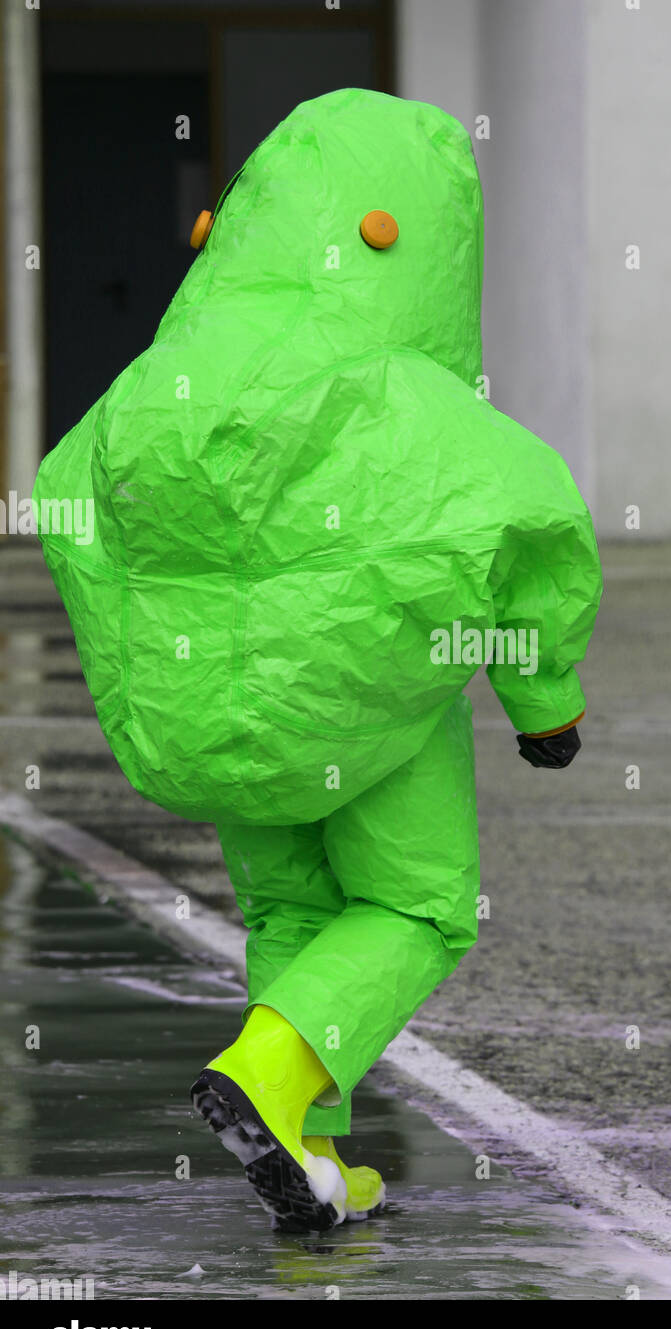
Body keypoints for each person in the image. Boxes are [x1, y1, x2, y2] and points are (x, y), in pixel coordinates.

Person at [34, 88, 602, 1232]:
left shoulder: (153, 386)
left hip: (221, 725)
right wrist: (544, 704)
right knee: (417, 905)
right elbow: (536, 529)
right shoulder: (409, 393)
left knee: (293, 912)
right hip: (367, 720)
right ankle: (273, 1077)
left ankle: (311, 1153)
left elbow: (62, 500)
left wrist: (143, 670)